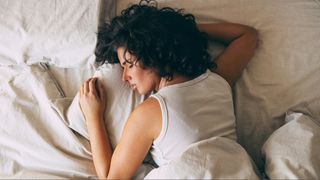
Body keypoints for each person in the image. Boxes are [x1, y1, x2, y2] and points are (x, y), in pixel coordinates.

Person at [79, 0, 258, 178]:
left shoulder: (150, 113)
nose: (124, 76)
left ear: (151, 52)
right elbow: (247, 35)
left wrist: (93, 116)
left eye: (128, 65)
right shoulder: (218, 79)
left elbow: (112, 178)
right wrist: (182, 32)